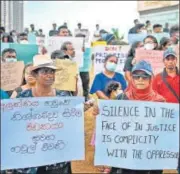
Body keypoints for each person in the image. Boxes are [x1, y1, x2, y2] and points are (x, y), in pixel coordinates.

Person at [93, 61, 164, 174]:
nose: (140, 79)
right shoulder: (121, 99)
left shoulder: (160, 101)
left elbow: (164, 132)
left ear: (151, 79)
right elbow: (110, 128)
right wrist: (99, 113)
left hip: (149, 159)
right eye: (136, 76)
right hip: (124, 157)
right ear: (132, 79)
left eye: (145, 76)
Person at [15, 55, 72, 174]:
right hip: (31, 158)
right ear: (35, 74)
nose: (50, 75)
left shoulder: (64, 96)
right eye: (45, 71)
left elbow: (71, 123)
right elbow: (16, 128)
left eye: (52, 72)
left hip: (57, 159)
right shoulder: (23, 97)